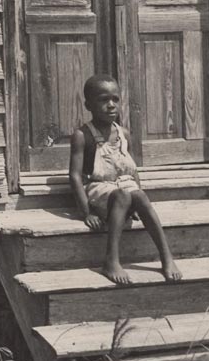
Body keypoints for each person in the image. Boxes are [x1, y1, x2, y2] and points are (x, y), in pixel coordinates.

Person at [69, 73, 183, 285]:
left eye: (115, 99)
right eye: (103, 100)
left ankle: (166, 256)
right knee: (123, 195)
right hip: (98, 190)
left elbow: (133, 171)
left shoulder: (124, 134)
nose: (111, 105)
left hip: (123, 187)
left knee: (139, 194)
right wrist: (86, 212)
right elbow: (75, 176)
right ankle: (111, 260)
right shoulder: (82, 135)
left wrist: (137, 202)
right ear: (88, 105)